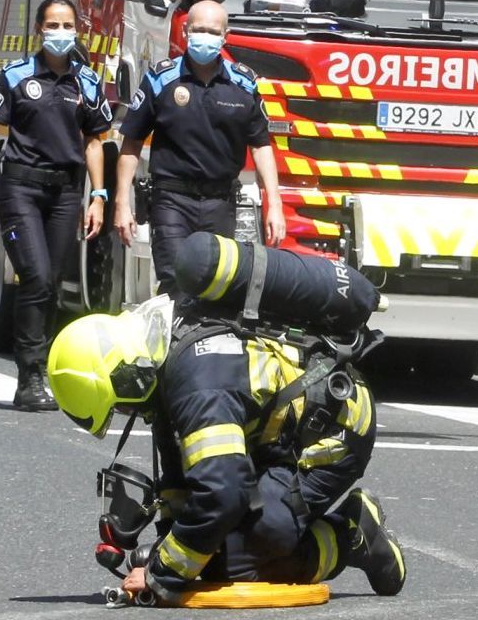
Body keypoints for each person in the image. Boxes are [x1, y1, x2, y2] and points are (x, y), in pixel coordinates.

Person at [44, 257, 406, 603]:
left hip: (331, 435)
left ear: (125, 375)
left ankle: (352, 534)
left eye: (121, 405)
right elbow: (179, 466)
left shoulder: (199, 385)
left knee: (234, 562)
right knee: (207, 545)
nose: (128, 412)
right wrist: (168, 543)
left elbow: (222, 494)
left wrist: (161, 574)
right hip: (276, 439)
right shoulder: (164, 354)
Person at [0, 0, 110, 411]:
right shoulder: (17, 76)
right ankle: (29, 376)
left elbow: (95, 142)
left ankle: (45, 371)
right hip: (20, 189)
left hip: (65, 194)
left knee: (54, 283)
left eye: (67, 25)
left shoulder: (87, 83)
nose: (60, 32)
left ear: (78, 30)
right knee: (36, 277)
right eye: (52, 25)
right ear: (40, 29)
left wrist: (98, 195)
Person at [113, 0, 286, 301]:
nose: (205, 36)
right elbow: (131, 144)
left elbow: (260, 146)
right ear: (185, 30)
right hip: (171, 201)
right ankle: (174, 346)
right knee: (178, 282)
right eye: (199, 29)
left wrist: (275, 204)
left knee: (214, 288)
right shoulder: (161, 79)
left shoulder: (243, 85)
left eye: (212, 31)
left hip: (220, 204)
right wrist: (121, 203)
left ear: (225, 36)